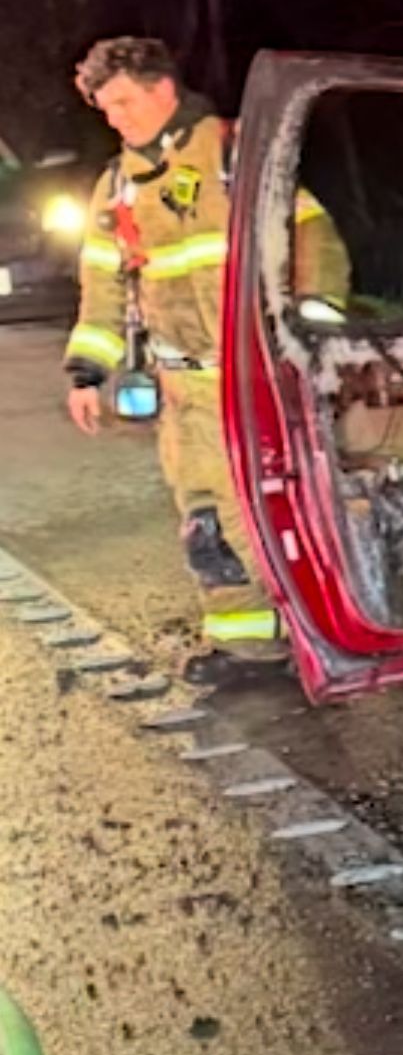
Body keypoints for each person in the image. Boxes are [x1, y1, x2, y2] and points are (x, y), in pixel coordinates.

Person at [63, 37, 350, 687]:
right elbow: (103, 285)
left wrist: (313, 326)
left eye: (125, 102)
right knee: (205, 518)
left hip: (252, 377)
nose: (116, 118)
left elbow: (312, 232)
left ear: (163, 87)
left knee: (261, 514)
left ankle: (315, 635)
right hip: (182, 388)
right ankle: (246, 647)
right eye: (106, 109)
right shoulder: (117, 187)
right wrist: (87, 371)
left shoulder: (232, 151)